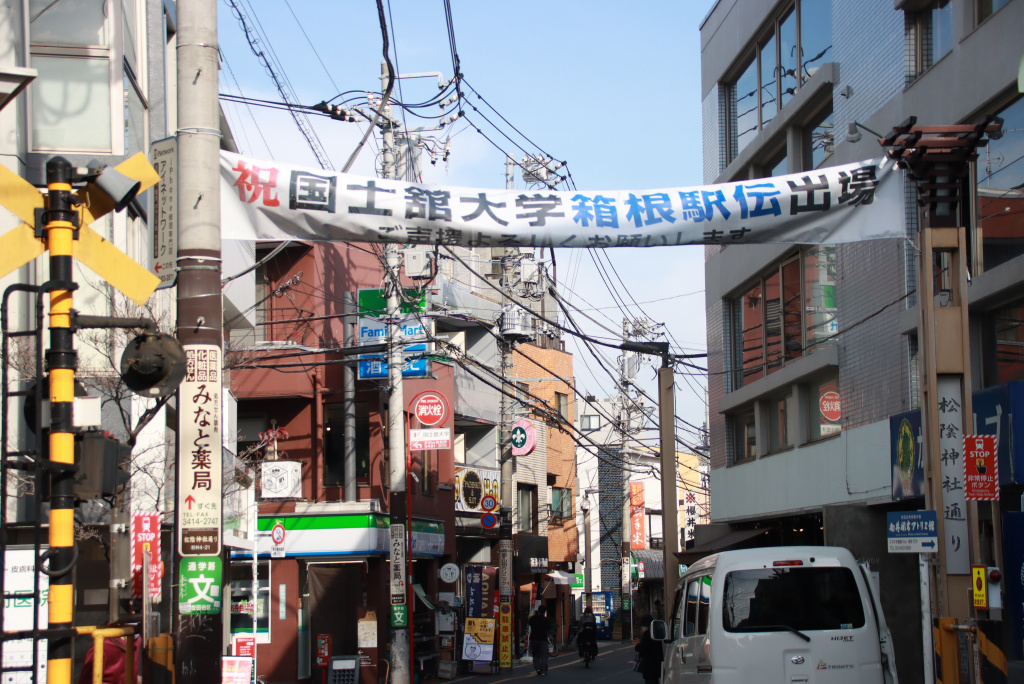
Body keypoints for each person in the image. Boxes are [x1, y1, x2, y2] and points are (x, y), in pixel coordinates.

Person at [634, 613, 663, 684]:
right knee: (655, 681)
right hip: (656, 664)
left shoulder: (647, 635)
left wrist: (637, 644)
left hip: (649, 665)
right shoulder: (656, 633)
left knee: (650, 681)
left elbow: (641, 648)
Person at [528, 606, 551, 676]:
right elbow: (548, 628)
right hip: (543, 639)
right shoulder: (545, 620)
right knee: (544, 655)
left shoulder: (532, 618)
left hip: (534, 638)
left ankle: (537, 668)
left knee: (536, 654)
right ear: (544, 612)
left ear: (538, 610)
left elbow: (529, 623)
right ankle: (543, 671)